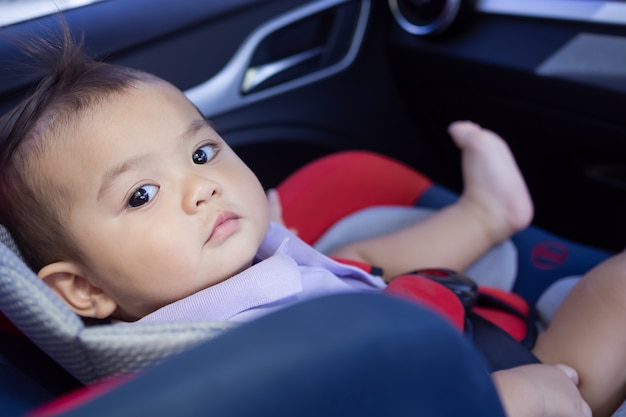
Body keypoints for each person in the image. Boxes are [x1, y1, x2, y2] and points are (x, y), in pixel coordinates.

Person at [2, 29, 624, 417]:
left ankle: (487, 215)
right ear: (84, 290)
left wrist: (261, 230)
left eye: (201, 153)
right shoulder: (234, 374)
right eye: (141, 194)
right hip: (493, 377)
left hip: (372, 309)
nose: (202, 187)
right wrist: (509, 401)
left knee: (350, 251)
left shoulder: (196, 281)